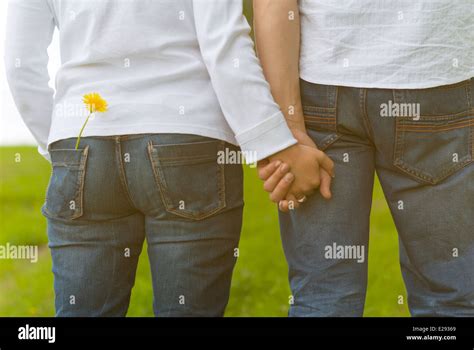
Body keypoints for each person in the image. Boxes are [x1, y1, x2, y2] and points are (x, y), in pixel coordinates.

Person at [5, 0, 334, 317]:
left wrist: (62, 147)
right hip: (189, 142)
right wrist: (274, 144)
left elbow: (20, 65)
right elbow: (223, 40)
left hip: (83, 141)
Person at [255, 0, 474, 316]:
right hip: (435, 72)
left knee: (323, 295)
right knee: (450, 297)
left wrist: (288, 130)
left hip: (323, 83)